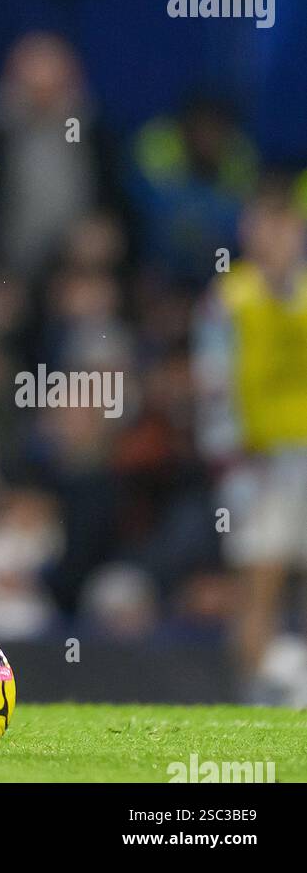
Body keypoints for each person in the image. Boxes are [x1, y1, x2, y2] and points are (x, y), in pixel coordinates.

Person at [193, 187, 307, 703]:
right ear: (249, 234)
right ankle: (256, 700)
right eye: (267, 227)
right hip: (257, 463)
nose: (278, 239)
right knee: (260, 580)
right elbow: (212, 385)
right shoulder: (228, 300)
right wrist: (230, 459)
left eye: (286, 228)